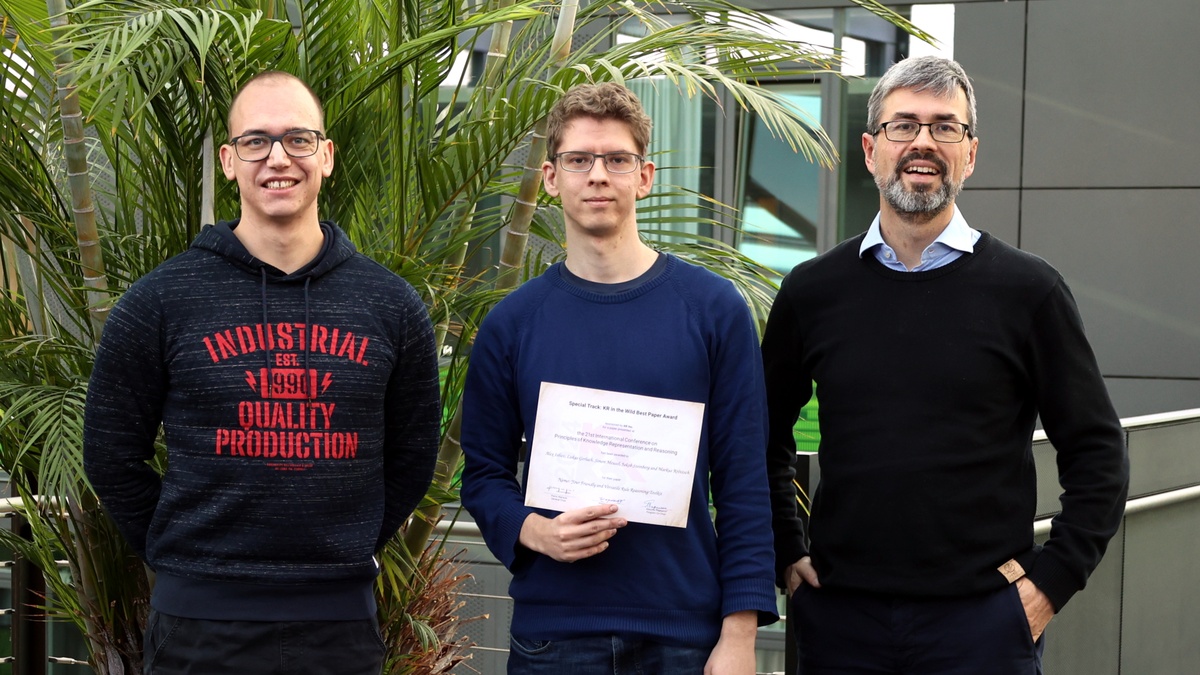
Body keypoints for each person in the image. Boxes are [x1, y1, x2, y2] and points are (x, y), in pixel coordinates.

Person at [761, 55, 1129, 674]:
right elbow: (760, 434)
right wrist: (785, 551)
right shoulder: (812, 291)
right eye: (904, 126)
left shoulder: (1029, 291)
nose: (923, 143)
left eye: (945, 127)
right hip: (839, 621)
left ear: (971, 153)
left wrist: (1049, 587)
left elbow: (1098, 451)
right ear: (871, 149)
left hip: (983, 627)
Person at [83, 70, 440, 675]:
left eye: (298, 139)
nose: (278, 157)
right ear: (229, 160)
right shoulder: (161, 301)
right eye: (256, 141)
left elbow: (412, 457)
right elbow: (111, 454)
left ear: (326, 155)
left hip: (339, 625)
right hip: (199, 626)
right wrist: (186, 552)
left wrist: (340, 546)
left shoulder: (391, 306)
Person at [459, 82, 778, 675]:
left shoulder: (713, 310)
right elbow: (483, 476)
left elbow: (742, 480)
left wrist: (740, 635)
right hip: (553, 635)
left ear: (645, 175)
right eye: (579, 160)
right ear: (552, 177)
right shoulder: (512, 323)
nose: (597, 175)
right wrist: (533, 531)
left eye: (616, 160)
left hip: (685, 634)